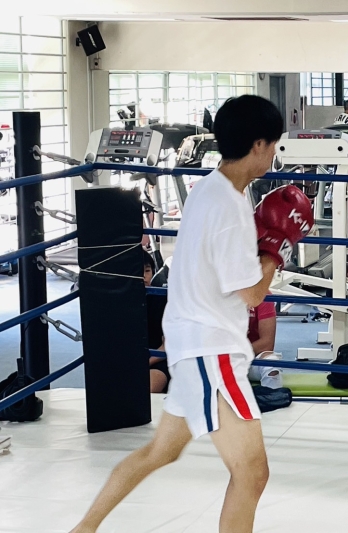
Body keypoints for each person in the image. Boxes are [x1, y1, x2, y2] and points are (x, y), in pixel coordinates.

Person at [70, 94, 314, 533]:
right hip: (211, 351)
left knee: (159, 453)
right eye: (274, 145)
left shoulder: (214, 190)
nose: (273, 155)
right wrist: (276, 248)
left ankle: (81, 530)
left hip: (196, 345)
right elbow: (252, 294)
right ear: (259, 145)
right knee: (253, 473)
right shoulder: (228, 207)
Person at [142, 250, 170, 394]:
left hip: (157, 361)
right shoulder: (116, 305)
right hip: (126, 362)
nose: (143, 276)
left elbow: (167, 346)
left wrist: (144, 364)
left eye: (147, 271)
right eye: (137, 272)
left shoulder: (162, 301)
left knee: (148, 389)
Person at [246, 299, 283, 389]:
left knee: (271, 367)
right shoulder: (221, 296)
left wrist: (238, 350)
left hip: (252, 356)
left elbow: (267, 344)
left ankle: (272, 396)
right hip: (227, 359)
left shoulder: (263, 296)